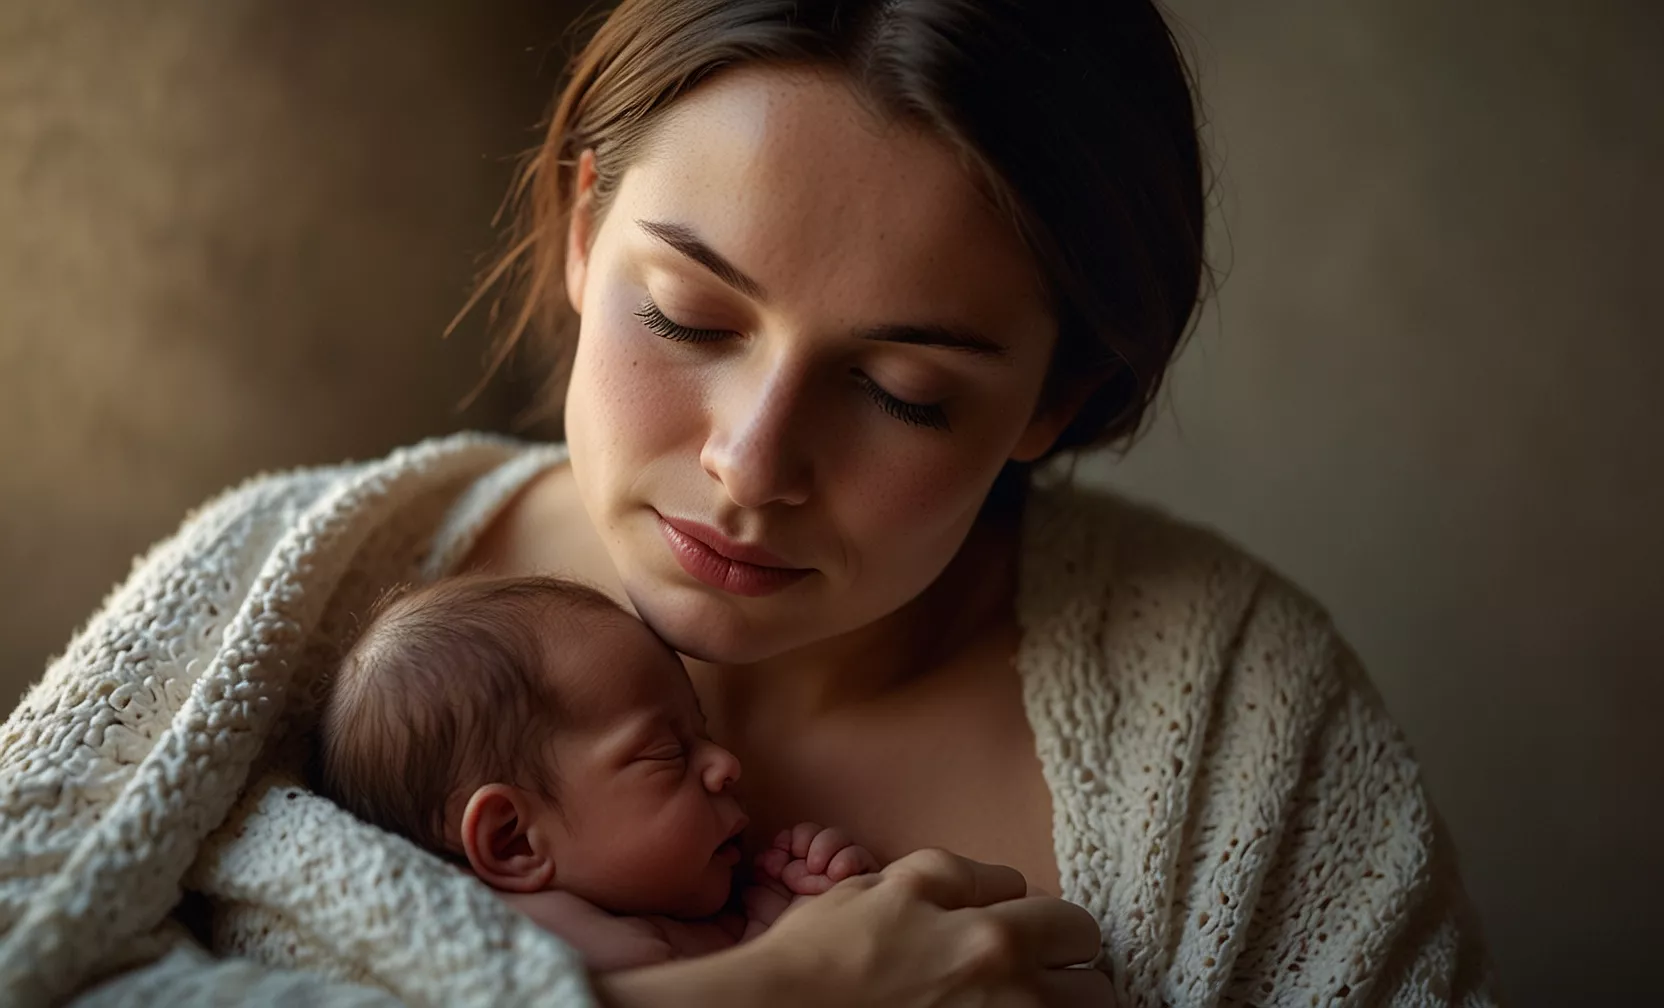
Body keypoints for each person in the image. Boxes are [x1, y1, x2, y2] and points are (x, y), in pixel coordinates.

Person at [0, 1, 1495, 1005]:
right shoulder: (281, 587)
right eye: (690, 319)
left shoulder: (1238, 718)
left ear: (1058, 402)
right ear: (588, 235)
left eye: (905, 391)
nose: (751, 462)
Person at [316, 573, 881, 969]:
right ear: (512, 841)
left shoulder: (672, 920)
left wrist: (794, 910)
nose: (726, 764)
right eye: (667, 752)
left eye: (702, 734)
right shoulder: (528, 937)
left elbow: (776, 976)